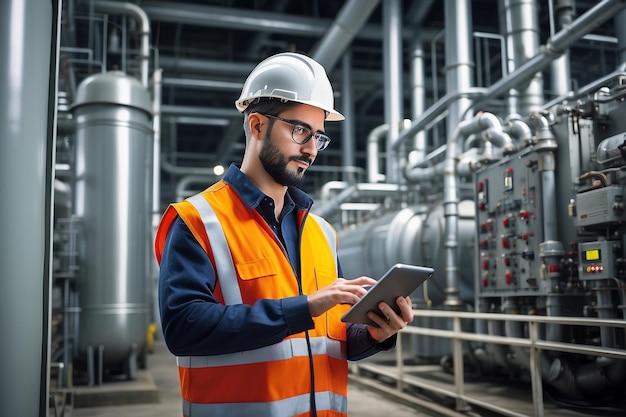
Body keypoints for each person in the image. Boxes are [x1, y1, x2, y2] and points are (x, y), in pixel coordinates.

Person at [154, 51, 414, 417]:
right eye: (299, 130)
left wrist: (375, 333)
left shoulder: (321, 232)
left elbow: (329, 339)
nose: (310, 149)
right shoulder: (198, 219)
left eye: (318, 137)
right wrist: (304, 308)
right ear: (257, 125)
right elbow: (183, 328)